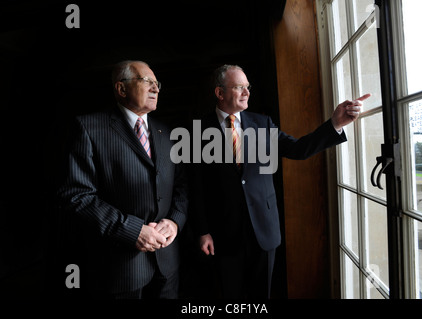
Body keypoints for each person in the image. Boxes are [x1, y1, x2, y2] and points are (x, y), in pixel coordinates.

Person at [191, 64, 370, 299]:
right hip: (223, 234)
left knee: (261, 295)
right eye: (238, 87)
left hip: (264, 232)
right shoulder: (197, 130)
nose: (246, 92)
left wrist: (335, 124)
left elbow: (298, 149)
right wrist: (203, 231)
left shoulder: (263, 123)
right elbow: (196, 187)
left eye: (248, 87)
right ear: (220, 93)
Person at [57, 60, 188, 299]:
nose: (156, 88)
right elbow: (76, 196)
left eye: (157, 83)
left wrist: (175, 221)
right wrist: (132, 230)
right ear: (121, 88)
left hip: (167, 265)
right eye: (147, 81)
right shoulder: (88, 128)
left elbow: (181, 185)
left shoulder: (166, 132)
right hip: (119, 270)